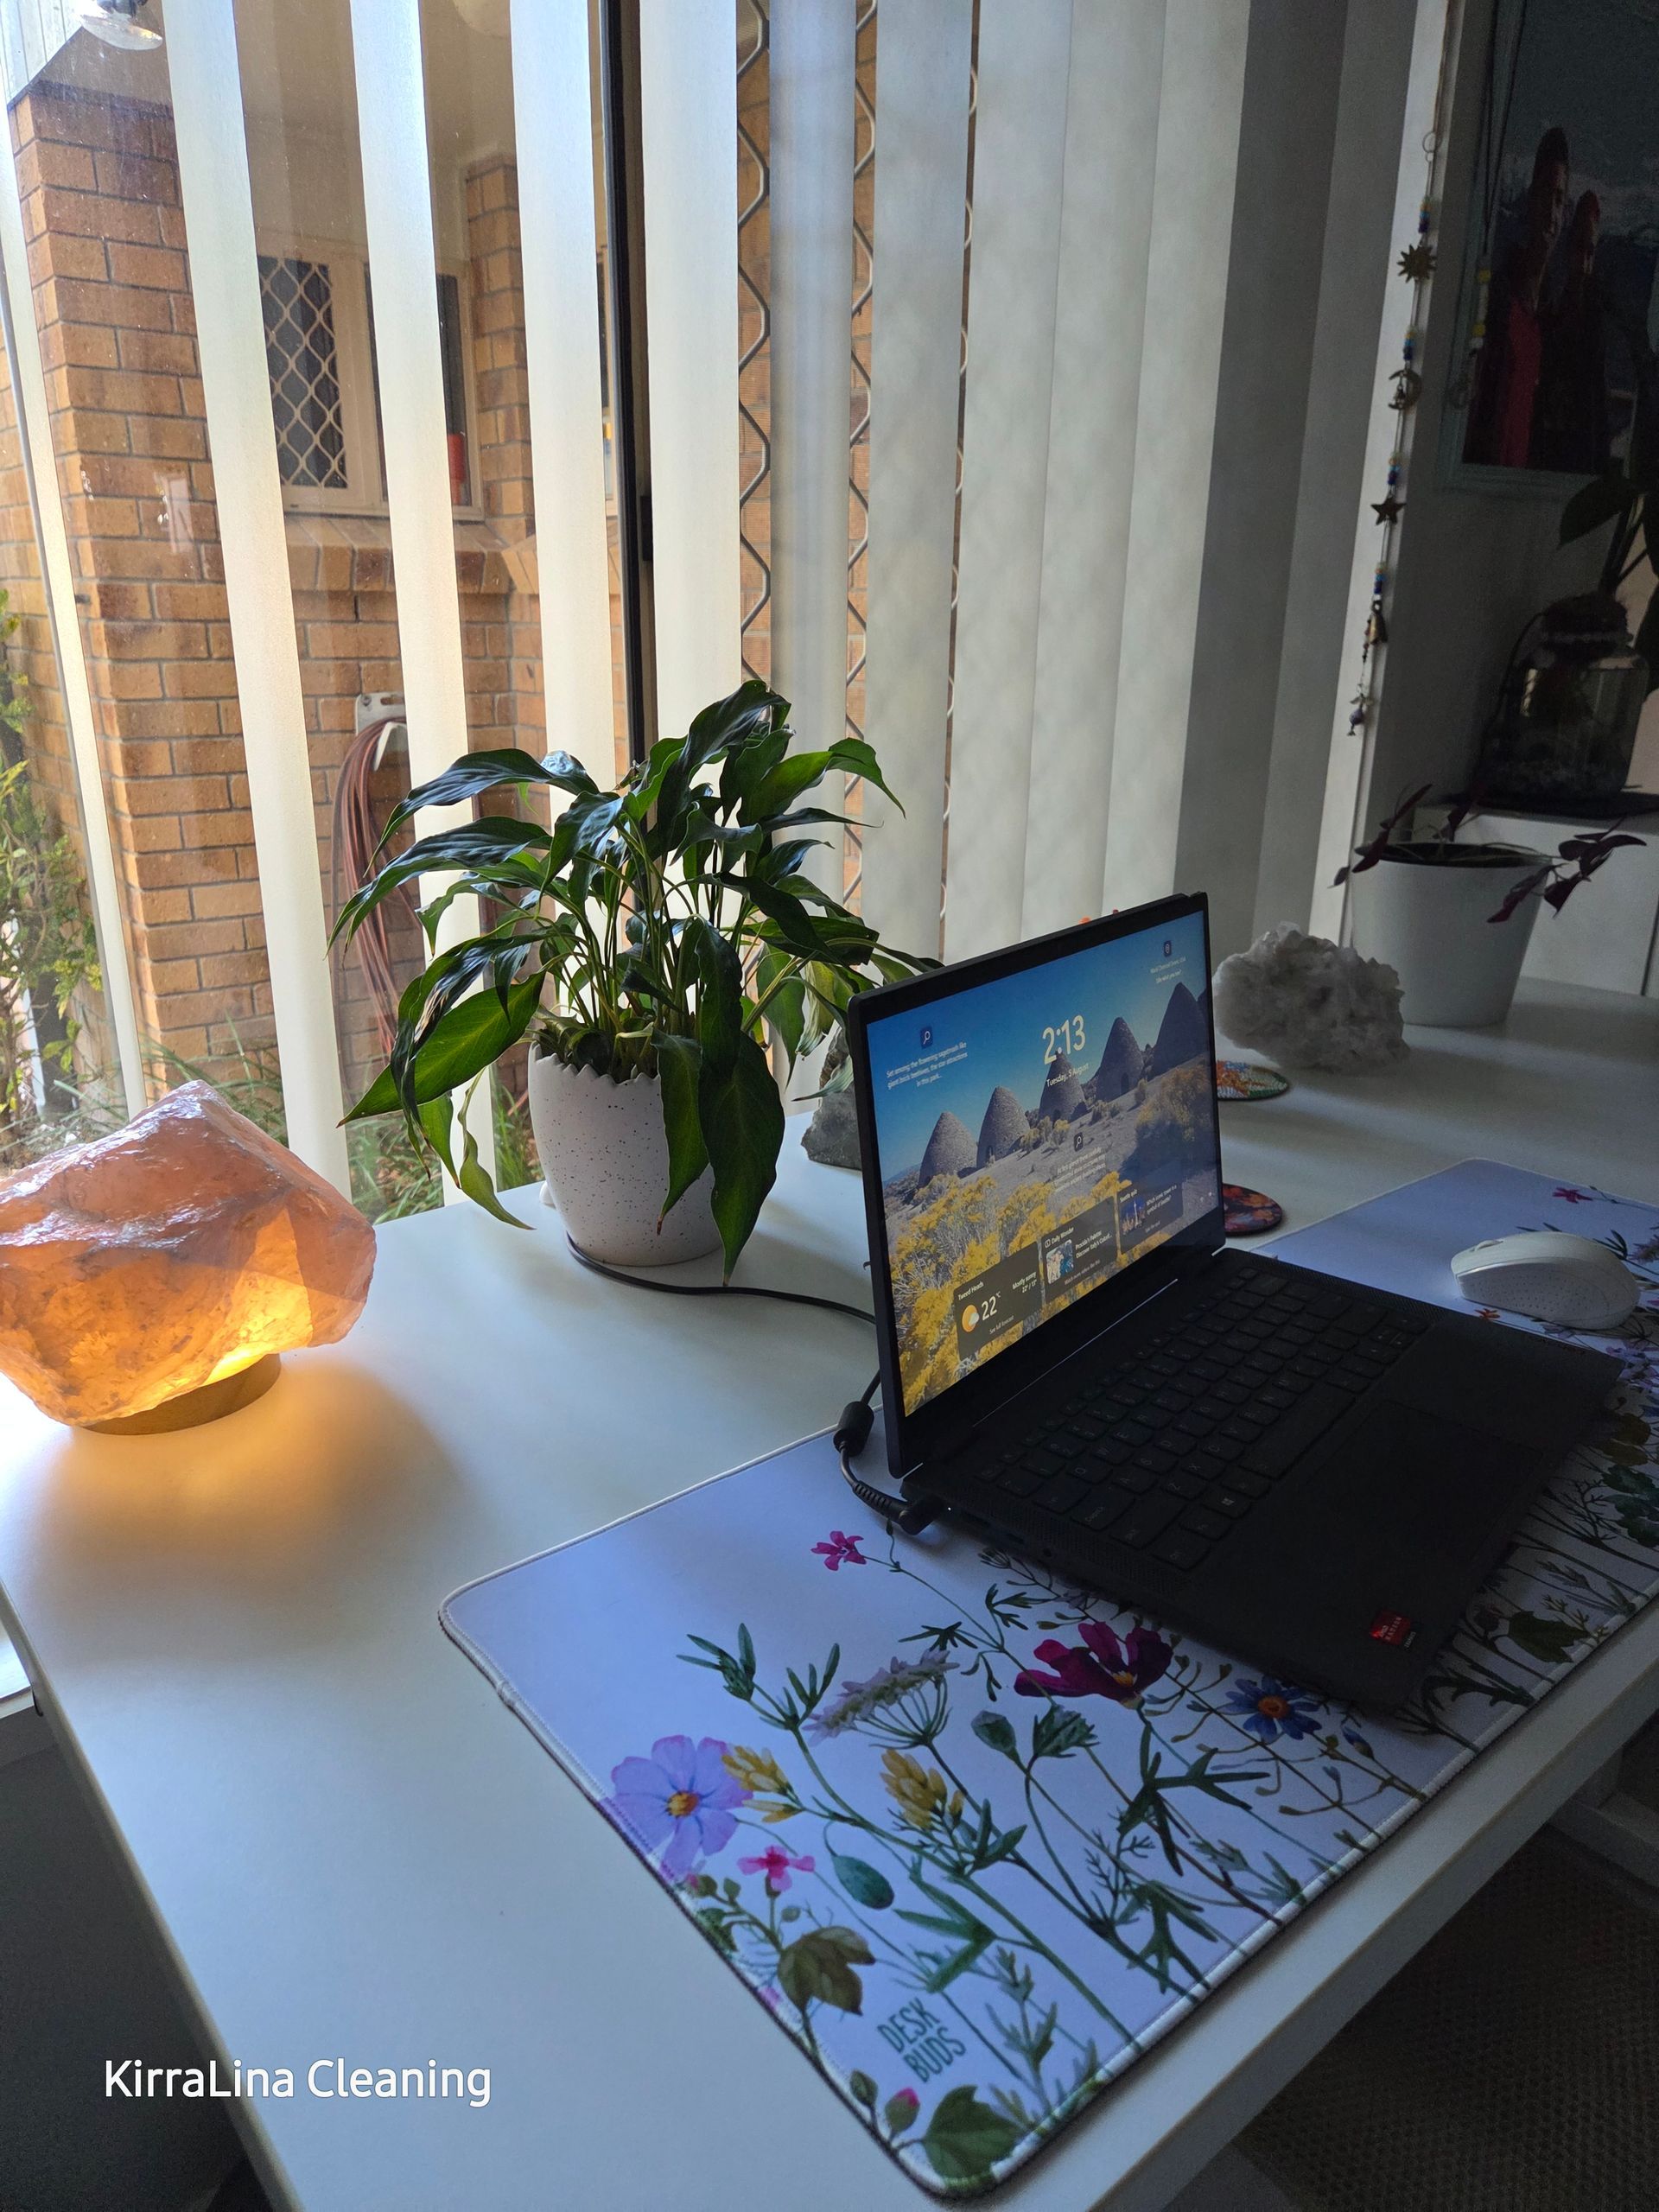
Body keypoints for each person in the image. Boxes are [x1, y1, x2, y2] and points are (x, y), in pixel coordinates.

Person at [1465, 125, 1570, 467]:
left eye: (1559, 199)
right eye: (1545, 194)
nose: (1551, 213)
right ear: (1529, 200)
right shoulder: (1498, 297)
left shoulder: (1553, 317)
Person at [1532, 191, 1611, 472]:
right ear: (1568, 250)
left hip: (1577, 452)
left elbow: (1597, 401)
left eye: (1590, 252)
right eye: (1580, 249)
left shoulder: (1595, 323)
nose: (1584, 263)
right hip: (1545, 444)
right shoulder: (1550, 309)